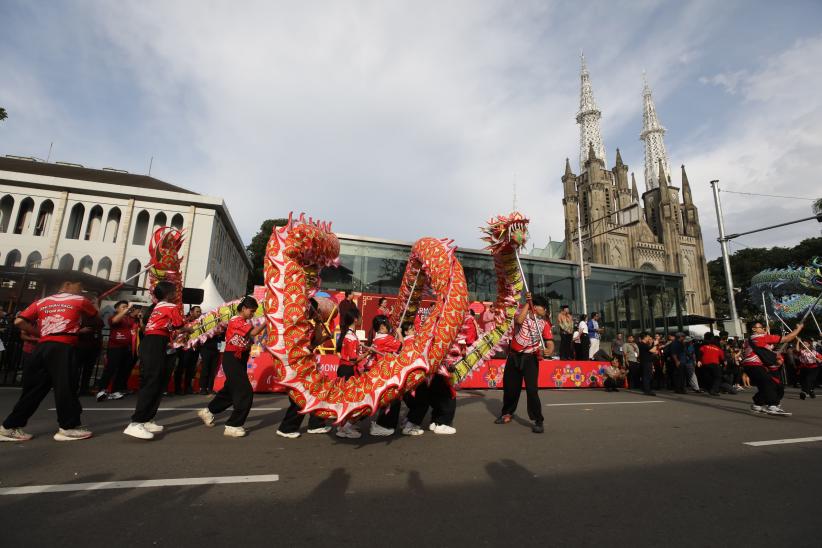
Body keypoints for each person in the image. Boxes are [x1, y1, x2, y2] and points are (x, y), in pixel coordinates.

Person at [0, 276, 99, 442]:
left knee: (35, 389)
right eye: (80, 285)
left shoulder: (42, 301)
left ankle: (9, 426)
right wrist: (94, 305)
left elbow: (19, 321)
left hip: (43, 347)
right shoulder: (80, 300)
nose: (82, 290)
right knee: (66, 386)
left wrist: (44, 333)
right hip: (64, 347)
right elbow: (96, 321)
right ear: (67, 283)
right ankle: (68, 427)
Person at [124, 282, 192, 440]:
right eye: (175, 292)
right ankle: (136, 422)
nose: (177, 294)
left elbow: (169, 327)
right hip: (155, 343)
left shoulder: (157, 306)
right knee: (152, 382)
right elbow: (179, 325)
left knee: (158, 381)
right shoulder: (170, 306)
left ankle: (147, 418)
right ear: (168, 294)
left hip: (155, 343)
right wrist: (188, 329)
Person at [198, 297, 265, 437]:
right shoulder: (237, 321)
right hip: (232, 358)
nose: (252, 314)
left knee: (230, 391)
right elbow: (253, 333)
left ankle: (208, 411)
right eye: (251, 311)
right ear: (244, 308)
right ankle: (233, 425)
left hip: (239, 358)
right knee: (245, 391)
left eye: (254, 312)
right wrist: (267, 322)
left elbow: (251, 339)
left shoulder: (244, 322)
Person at [276, 298, 334, 438]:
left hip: (307, 365)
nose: (314, 313)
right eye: (313, 310)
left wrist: (320, 323)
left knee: (317, 392)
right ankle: (286, 428)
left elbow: (315, 342)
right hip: (297, 365)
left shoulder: (308, 325)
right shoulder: (296, 326)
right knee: (300, 397)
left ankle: (316, 424)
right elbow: (308, 346)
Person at [495, 293, 551, 434]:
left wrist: (549, 350)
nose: (544, 310)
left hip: (530, 359)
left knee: (532, 390)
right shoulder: (522, 315)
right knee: (510, 388)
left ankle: (538, 420)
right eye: (543, 307)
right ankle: (507, 413)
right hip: (514, 356)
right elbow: (519, 321)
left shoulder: (544, 324)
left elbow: (549, 342)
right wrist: (528, 303)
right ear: (535, 307)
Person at [742, 320, 803, 416]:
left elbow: (766, 351)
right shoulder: (760, 337)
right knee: (769, 383)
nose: (763, 329)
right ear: (754, 329)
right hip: (754, 365)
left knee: (767, 385)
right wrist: (798, 329)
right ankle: (772, 405)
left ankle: (757, 404)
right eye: (761, 327)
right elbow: (787, 338)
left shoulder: (749, 339)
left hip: (750, 366)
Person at [369, 315, 406, 436]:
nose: (387, 326)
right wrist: (400, 333)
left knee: (387, 400)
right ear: (382, 326)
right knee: (392, 400)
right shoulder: (385, 338)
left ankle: (382, 424)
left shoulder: (377, 338)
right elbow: (402, 347)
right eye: (385, 324)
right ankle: (384, 425)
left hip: (381, 372)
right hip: (387, 372)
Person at [96, 301, 139, 401]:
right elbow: (115, 321)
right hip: (115, 347)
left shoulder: (130, 319)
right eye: (123, 307)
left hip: (128, 348)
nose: (126, 308)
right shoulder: (113, 317)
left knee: (122, 370)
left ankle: (115, 391)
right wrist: (128, 309)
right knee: (110, 368)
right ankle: (101, 390)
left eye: (126, 307)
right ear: (117, 309)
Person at [335, 308, 368, 439]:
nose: (361, 319)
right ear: (355, 319)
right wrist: (368, 353)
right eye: (359, 316)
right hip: (348, 370)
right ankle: (345, 427)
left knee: (348, 399)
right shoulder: (350, 336)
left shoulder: (349, 334)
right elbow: (353, 358)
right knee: (352, 400)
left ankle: (344, 425)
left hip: (345, 369)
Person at [174, 305, 202, 395]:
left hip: (195, 348)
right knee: (181, 368)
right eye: (197, 311)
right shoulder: (184, 320)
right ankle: (177, 388)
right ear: (191, 312)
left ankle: (188, 388)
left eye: (200, 312)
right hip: (184, 348)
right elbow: (177, 330)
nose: (199, 313)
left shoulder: (200, 322)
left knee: (191, 369)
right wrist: (187, 330)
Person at [698, 332, 724, 396]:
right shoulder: (718, 349)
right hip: (715, 363)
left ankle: (709, 389)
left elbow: (700, 353)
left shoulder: (704, 346)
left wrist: (699, 360)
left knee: (708, 377)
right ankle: (714, 390)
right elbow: (722, 358)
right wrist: (723, 364)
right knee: (718, 377)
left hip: (705, 363)